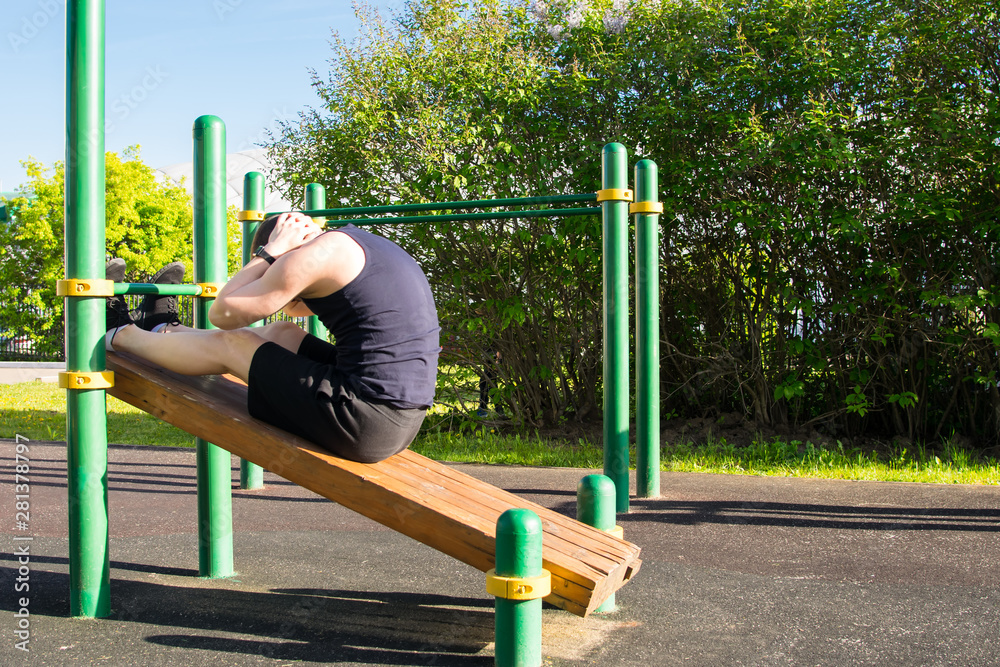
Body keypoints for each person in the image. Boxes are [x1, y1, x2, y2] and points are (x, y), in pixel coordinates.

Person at [105, 212, 440, 463]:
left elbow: (222, 314)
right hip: (398, 417)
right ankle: (163, 328)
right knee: (281, 333)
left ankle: (118, 334)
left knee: (234, 343)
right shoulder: (352, 243)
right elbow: (293, 311)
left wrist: (271, 252)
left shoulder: (308, 257)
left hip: (366, 422)